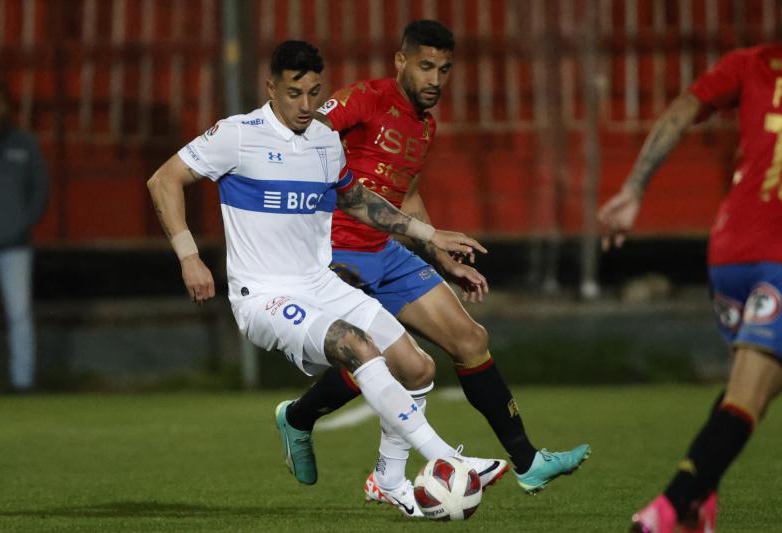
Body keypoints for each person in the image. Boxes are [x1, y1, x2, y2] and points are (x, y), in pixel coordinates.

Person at [146, 40, 507, 516]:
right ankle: (447, 459)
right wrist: (189, 256)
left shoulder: (322, 139)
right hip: (265, 296)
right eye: (294, 93)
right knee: (356, 345)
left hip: (320, 284)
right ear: (270, 87)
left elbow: (356, 199)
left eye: (314, 93)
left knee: (418, 369)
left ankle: (388, 479)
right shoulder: (238, 135)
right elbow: (163, 180)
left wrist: (428, 233)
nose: (306, 105)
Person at [273, 19, 590, 515]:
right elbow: (303, 138)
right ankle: (300, 418)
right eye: (425, 66)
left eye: (444, 69)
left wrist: (439, 253)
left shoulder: (424, 124)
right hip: (334, 249)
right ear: (401, 61)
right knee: (383, 358)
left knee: (471, 340)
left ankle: (528, 463)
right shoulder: (362, 99)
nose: (435, 79)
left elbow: (408, 193)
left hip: (386, 249)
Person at [599, 43, 782, 533]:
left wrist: (635, 188)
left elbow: (682, 110)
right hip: (779, 252)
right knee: (750, 393)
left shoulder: (749, 62)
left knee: (751, 385)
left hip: (729, 251)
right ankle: (673, 506)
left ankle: (699, 505)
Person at [0, 81, 49, 393]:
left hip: (16, 246)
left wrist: (22, 224)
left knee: (20, 314)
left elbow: (40, 190)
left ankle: (24, 381)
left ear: (6, 106)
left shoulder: (24, 144)